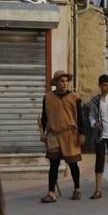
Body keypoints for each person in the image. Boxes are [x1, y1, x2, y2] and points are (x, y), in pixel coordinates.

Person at [39, 70, 83, 203]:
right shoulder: (47, 97)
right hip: (53, 135)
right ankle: (51, 192)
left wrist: (82, 134)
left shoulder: (75, 97)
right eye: (61, 81)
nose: (64, 84)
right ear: (56, 83)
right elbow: (44, 118)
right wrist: (43, 133)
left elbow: (80, 118)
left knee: (73, 164)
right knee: (53, 165)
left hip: (70, 134)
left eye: (66, 81)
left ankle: (77, 189)